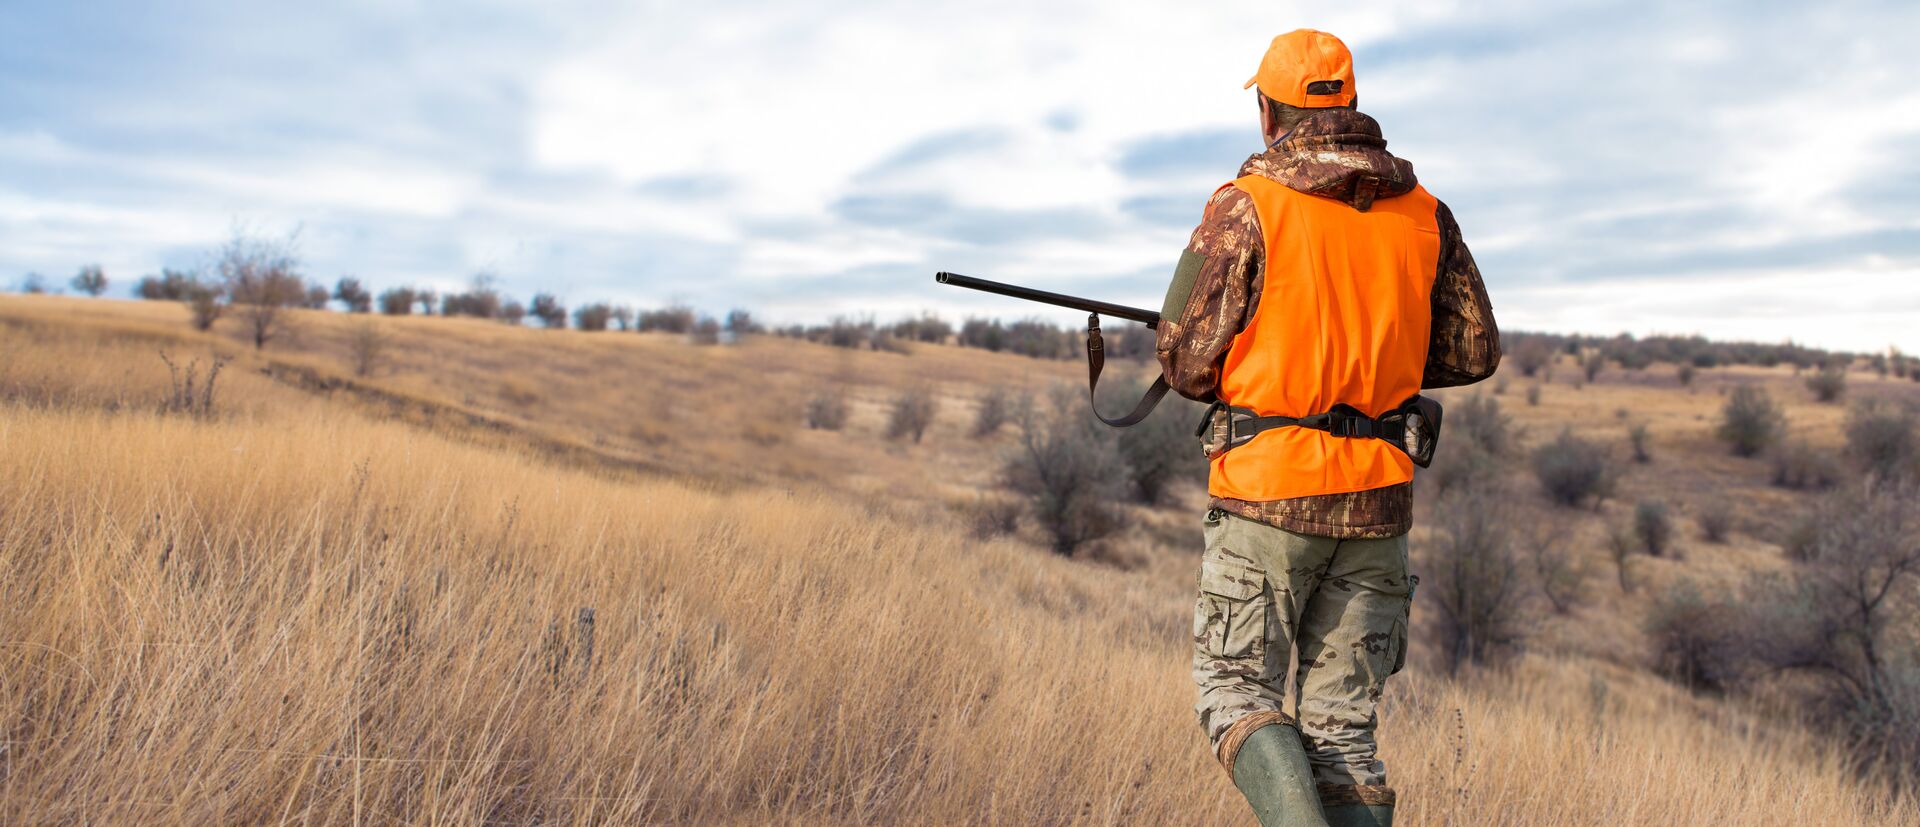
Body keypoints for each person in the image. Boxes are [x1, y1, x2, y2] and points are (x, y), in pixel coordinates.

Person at [1155, 29, 1500, 827]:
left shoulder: (1249, 204)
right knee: (1344, 734)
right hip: (1378, 503)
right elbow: (1474, 346)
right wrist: (1375, 361)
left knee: (1235, 690)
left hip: (1266, 497)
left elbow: (1183, 359)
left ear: (1268, 113)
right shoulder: (1425, 212)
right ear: (1348, 104)